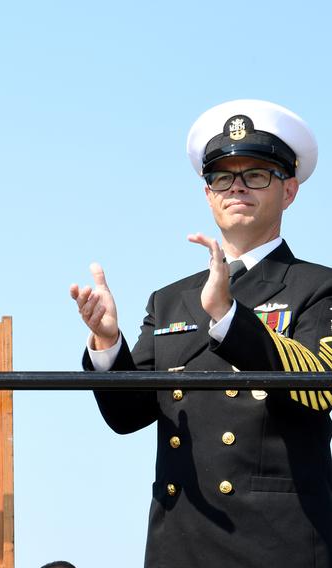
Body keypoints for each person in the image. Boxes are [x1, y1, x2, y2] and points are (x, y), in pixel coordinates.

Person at [70, 100, 332, 567]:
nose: (237, 188)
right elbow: (127, 415)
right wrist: (108, 344)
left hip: (278, 543)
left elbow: (319, 390)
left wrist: (230, 317)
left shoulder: (318, 287)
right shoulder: (168, 300)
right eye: (222, 178)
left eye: (256, 175)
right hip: (181, 541)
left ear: (288, 191)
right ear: (208, 195)